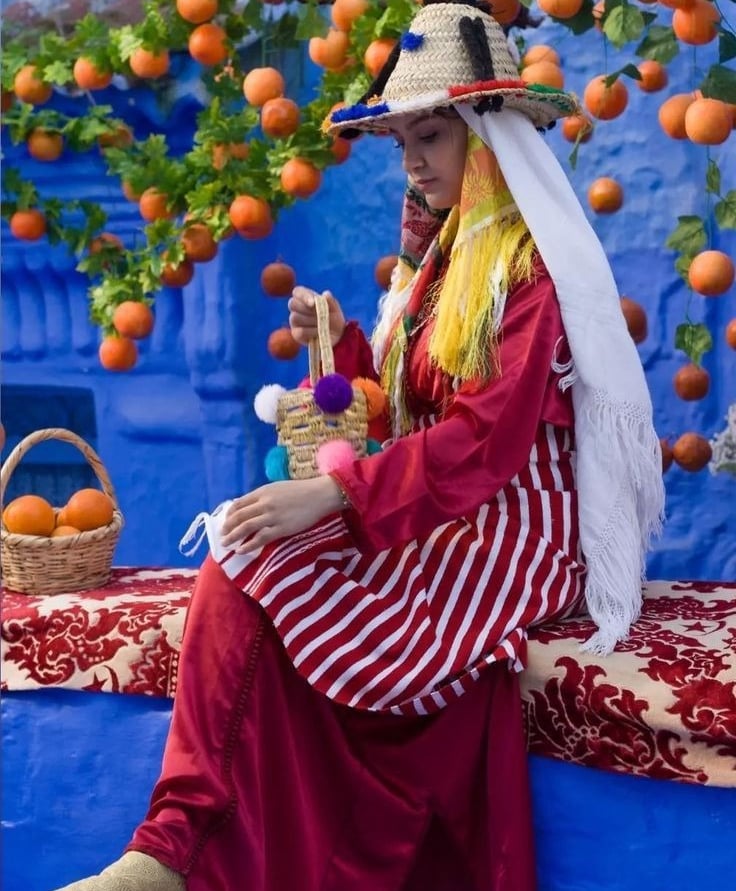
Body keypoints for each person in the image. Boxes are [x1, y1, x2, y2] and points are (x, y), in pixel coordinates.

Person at [57, 2, 664, 889]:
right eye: (402, 141)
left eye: (431, 136)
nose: (412, 160)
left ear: (487, 140)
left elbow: (484, 441)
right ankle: (170, 844)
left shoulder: (530, 272)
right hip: (437, 504)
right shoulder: (445, 258)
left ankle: (175, 848)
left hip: (511, 529)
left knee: (252, 554)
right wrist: (340, 344)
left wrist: (336, 495)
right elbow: (403, 407)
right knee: (243, 546)